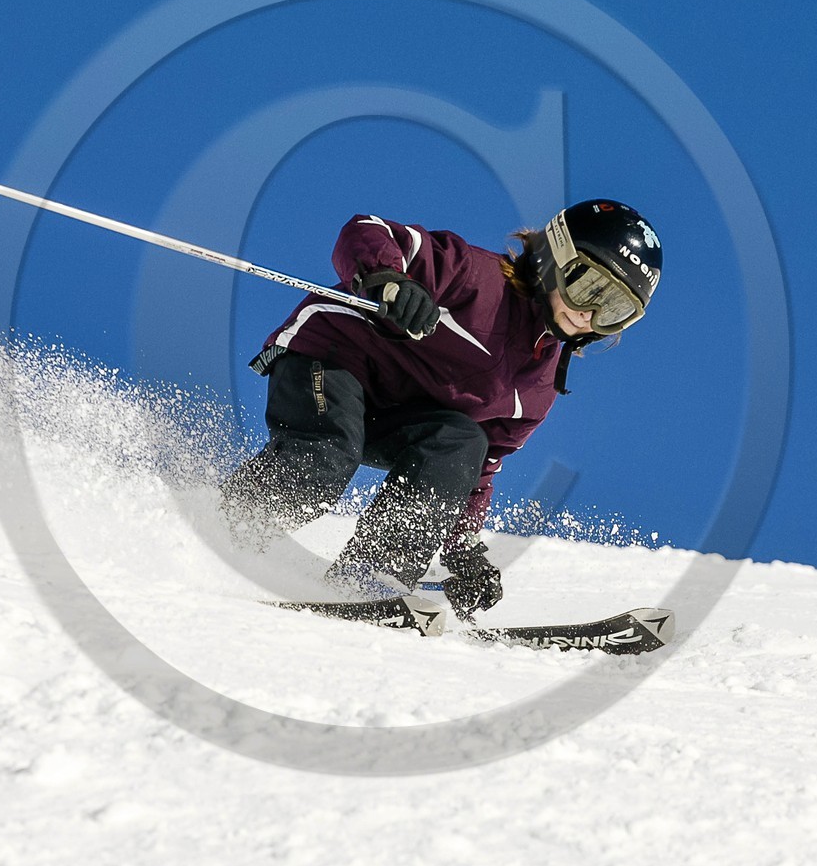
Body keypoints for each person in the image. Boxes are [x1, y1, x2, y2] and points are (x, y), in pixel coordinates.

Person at [219, 199, 661, 621]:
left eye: (613, 310)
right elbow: (365, 231)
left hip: (394, 416)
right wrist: (389, 280)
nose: (590, 315)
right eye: (588, 288)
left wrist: (462, 549)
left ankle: (369, 580)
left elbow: (475, 471)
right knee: (327, 455)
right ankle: (224, 531)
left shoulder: (536, 391)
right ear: (554, 257)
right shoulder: (473, 277)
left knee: (463, 440)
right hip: (332, 356)